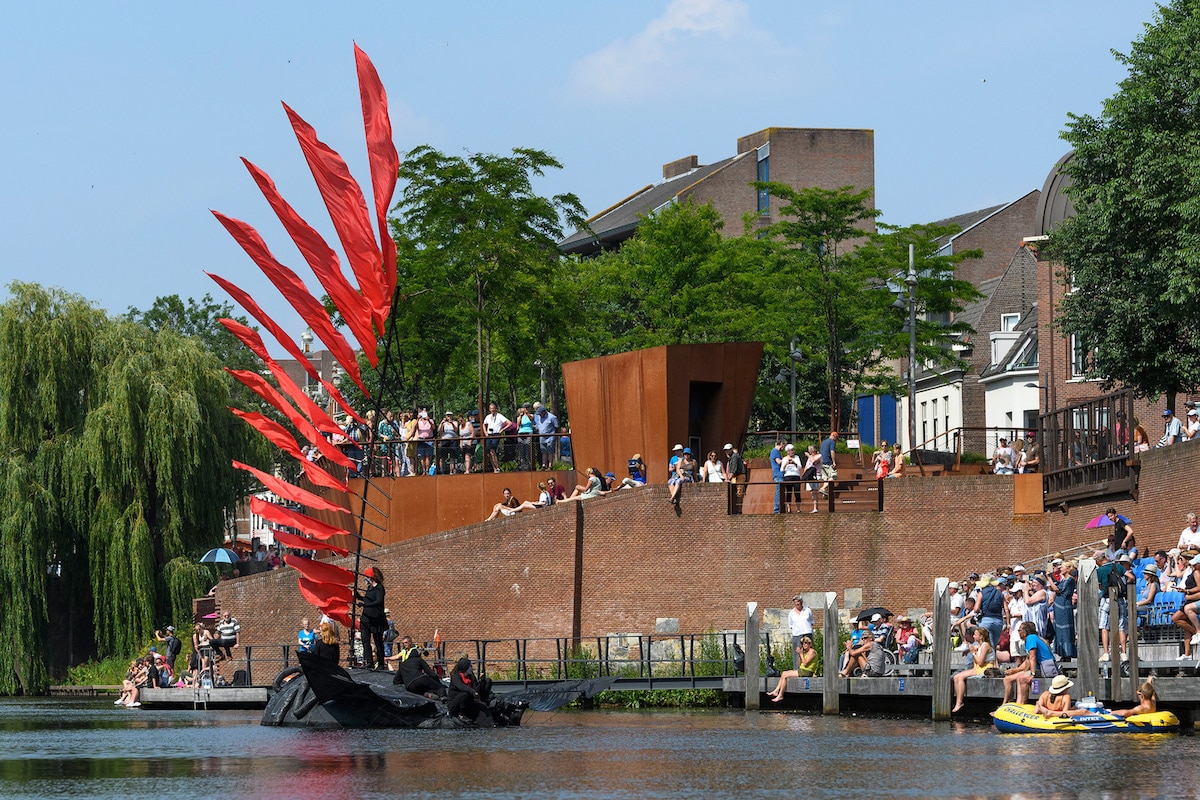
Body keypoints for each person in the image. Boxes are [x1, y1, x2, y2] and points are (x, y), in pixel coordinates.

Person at [1001, 621, 1057, 706]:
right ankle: (1008, 704)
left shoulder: (1031, 638)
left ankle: (1021, 704)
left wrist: (1032, 674)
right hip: (1039, 668)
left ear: (1024, 632)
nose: (1018, 633)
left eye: (1019, 630)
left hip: (1045, 669)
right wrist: (1015, 670)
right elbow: (1028, 661)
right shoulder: (1031, 639)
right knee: (1008, 679)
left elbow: (1032, 657)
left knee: (1021, 678)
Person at [951, 626, 993, 713]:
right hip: (978, 668)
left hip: (984, 668)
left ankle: (959, 702)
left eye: (975, 635)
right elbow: (975, 648)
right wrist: (968, 651)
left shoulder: (985, 645)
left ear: (981, 636)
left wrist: (973, 653)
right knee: (956, 677)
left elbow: (980, 662)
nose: (973, 636)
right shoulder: (980, 645)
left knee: (961, 677)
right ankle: (957, 701)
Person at [766, 635, 819, 702]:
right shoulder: (805, 652)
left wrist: (801, 654)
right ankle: (776, 691)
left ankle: (781, 695)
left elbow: (805, 663)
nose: (804, 645)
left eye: (805, 643)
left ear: (809, 644)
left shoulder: (812, 652)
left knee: (785, 675)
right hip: (802, 670)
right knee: (784, 673)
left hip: (807, 671)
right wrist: (800, 654)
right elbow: (800, 665)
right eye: (802, 643)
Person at [358, 567, 386, 670]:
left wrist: (365, 605)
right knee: (365, 640)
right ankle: (369, 661)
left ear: (370, 577)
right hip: (366, 618)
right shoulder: (369, 588)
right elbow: (367, 600)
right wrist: (359, 597)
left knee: (378, 641)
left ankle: (381, 663)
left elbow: (378, 601)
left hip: (376, 619)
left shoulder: (379, 588)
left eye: (366, 577)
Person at [447, 657, 483, 723]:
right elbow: (462, 687)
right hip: (455, 704)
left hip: (467, 702)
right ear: (465, 667)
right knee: (464, 694)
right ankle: (461, 714)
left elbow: (475, 687)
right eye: (470, 666)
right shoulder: (456, 677)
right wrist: (473, 692)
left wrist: (481, 683)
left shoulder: (471, 676)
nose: (472, 668)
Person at [483, 403, 509, 473]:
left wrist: (502, 429)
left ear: (495, 409)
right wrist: (485, 432)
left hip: (496, 434)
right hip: (489, 434)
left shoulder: (499, 416)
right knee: (489, 452)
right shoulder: (488, 417)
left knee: (492, 450)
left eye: (493, 408)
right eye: (491, 408)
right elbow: (484, 424)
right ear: (489, 409)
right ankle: (494, 467)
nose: (492, 410)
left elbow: (509, 423)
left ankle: (497, 467)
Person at [787, 595, 815, 661]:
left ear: (801, 602)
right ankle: (797, 669)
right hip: (797, 635)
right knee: (797, 653)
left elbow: (811, 621)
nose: (797, 603)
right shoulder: (791, 613)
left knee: (809, 652)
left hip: (807, 633)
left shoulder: (808, 610)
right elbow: (791, 625)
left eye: (799, 601)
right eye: (796, 602)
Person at [533, 402, 559, 470]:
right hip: (541, 437)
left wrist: (553, 434)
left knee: (550, 451)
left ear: (544, 412)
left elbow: (556, 427)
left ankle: (550, 466)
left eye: (540, 414)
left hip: (550, 437)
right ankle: (544, 465)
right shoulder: (539, 417)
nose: (539, 415)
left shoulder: (552, 417)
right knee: (543, 451)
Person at [778, 444, 803, 512]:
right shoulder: (784, 459)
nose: (793, 451)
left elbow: (800, 467)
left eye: (793, 450)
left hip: (796, 476)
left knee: (797, 492)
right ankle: (789, 508)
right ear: (788, 451)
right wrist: (786, 463)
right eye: (791, 450)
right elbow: (782, 470)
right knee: (788, 493)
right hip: (788, 477)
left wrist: (794, 463)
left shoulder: (797, 457)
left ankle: (798, 508)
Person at [802, 445, 823, 513]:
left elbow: (814, 461)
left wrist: (808, 456)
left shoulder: (819, 456)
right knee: (812, 492)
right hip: (809, 476)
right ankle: (814, 507)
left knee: (814, 491)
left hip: (816, 475)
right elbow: (807, 466)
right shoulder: (809, 458)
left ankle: (815, 508)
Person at [819, 430, 838, 497]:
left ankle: (824, 492)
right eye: (836, 439)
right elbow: (832, 451)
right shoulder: (832, 442)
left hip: (821, 463)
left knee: (826, 478)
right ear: (834, 437)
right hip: (827, 462)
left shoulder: (824, 442)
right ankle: (823, 488)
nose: (836, 441)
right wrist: (834, 462)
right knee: (834, 476)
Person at [768, 437, 784, 514]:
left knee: (779, 491)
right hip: (778, 474)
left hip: (778, 474)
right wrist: (787, 460)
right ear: (781, 444)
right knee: (779, 491)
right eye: (784, 446)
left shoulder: (775, 451)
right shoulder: (775, 451)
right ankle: (777, 510)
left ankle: (779, 509)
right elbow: (778, 461)